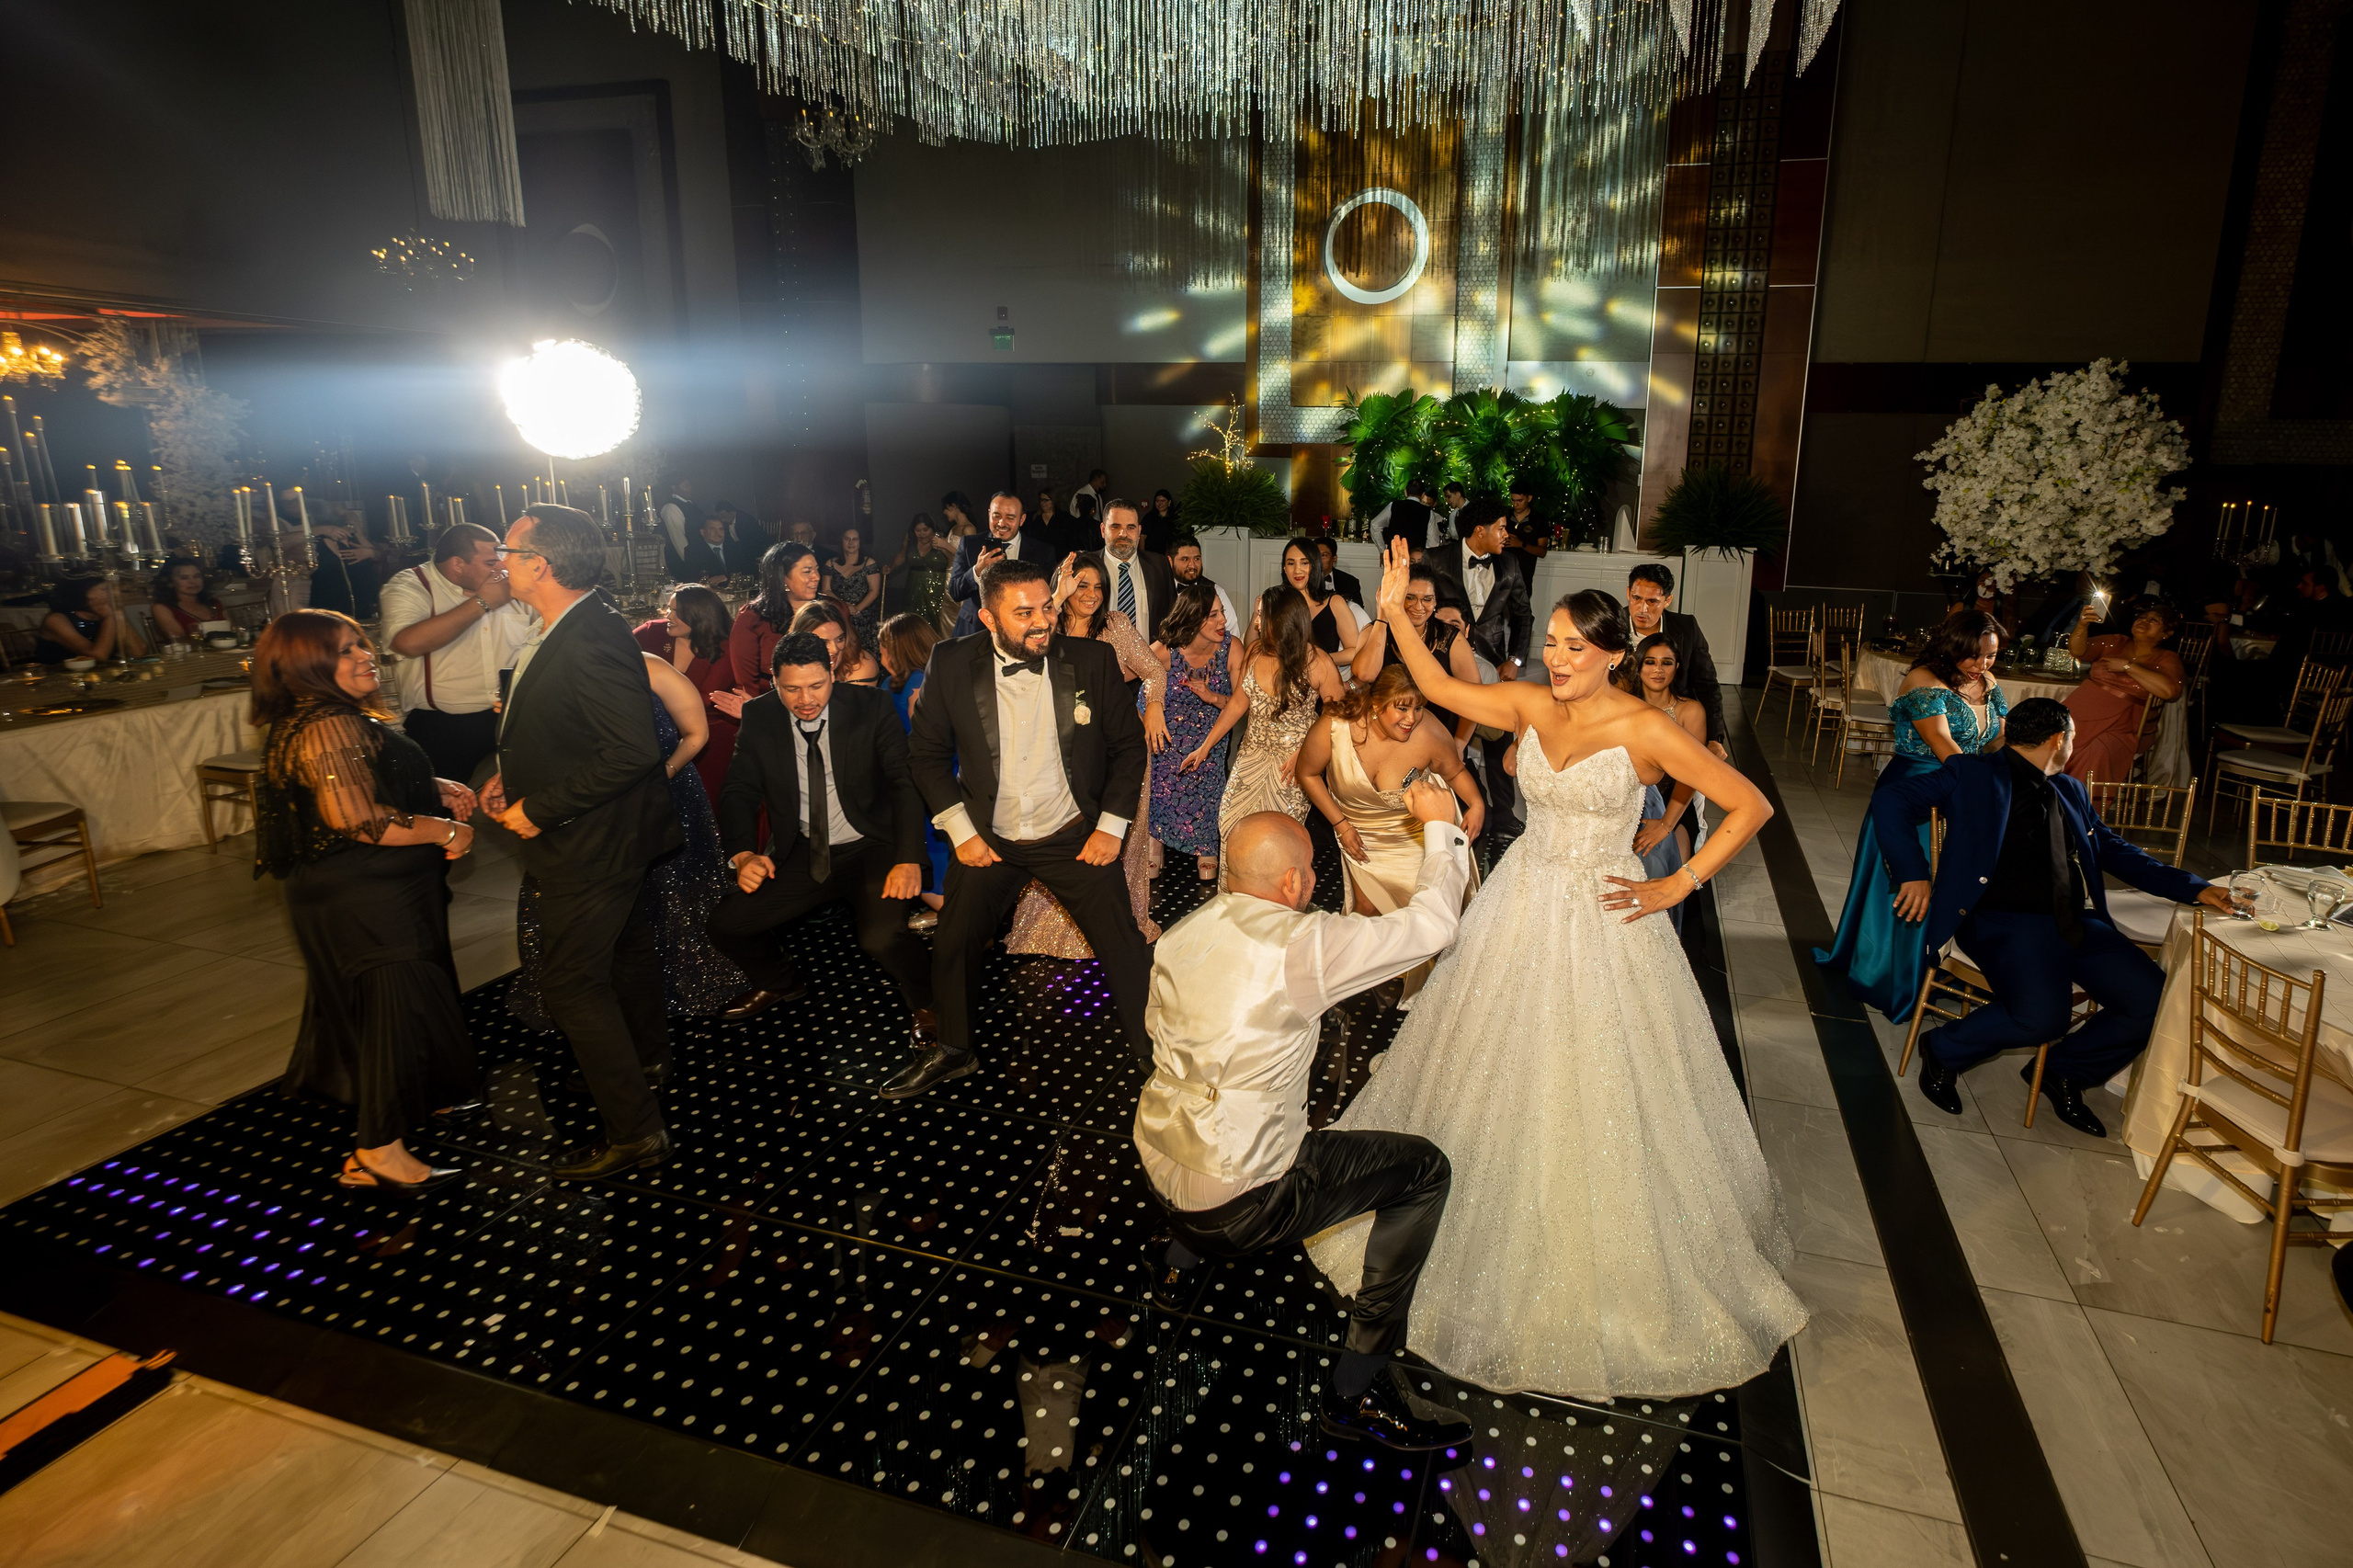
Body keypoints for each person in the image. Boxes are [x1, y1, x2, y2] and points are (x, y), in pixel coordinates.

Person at [1304, 539, 1807, 1399]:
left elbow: (1750, 804)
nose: (1559, 658)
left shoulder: (1648, 728)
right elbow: (1440, 690)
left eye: (1576, 647)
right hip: (1521, 903)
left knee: (1599, 1078)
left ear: (1613, 653)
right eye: (1553, 644)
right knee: (1489, 1061)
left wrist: (1677, 881)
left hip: (1607, 923)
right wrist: (1393, 614)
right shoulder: (1531, 704)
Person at [1133, 805, 1477, 1451]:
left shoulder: (1181, 933)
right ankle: (1356, 1392)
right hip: (1241, 1204)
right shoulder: (1303, 944)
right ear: (1292, 882)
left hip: (1155, 1159)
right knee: (1425, 1171)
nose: (1314, 880)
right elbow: (1431, 927)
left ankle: (1176, 1269)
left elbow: (1159, 1031)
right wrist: (1442, 831)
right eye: (1312, 869)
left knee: (1213, 1125)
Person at [1876, 698, 2234, 1135]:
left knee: (2153, 1001)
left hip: (2073, 921)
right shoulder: (1971, 773)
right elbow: (1892, 798)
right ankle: (1944, 1047)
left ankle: (2063, 1072)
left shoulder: (2070, 789)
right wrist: (1912, 873)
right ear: (2059, 739)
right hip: (2000, 923)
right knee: (2042, 1018)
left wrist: (2195, 887)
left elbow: (2113, 849)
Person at [483, 505, 683, 1181]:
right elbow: (568, 729)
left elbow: (631, 751)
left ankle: (636, 1130)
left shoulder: (591, 634)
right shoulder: (570, 623)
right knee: (625, 951)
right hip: (607, 835)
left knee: (569, 984)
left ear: (541, 565)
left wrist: (540, 808)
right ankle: (644, 1061)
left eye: (508, 552)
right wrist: (510, 776)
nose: (500, 563)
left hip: (592, 843)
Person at [906, 555, 1154, 1095]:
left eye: (1046, 607)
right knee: (954, 940)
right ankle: (954, 1049)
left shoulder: (1091, 660)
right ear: (989, 618)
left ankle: (1152, 1050)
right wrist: (962, 834)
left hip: (1071, 835)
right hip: (989, 839)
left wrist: (1111, 827)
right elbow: (925, 756)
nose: (1042, 621)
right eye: (1024, 614)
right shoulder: (950, 661)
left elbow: (1128, 748)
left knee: (1124, 945)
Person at [252, 608, 478, 1193]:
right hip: (366, 894)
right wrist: (447, 830)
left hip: (362, 890)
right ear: (307, 667)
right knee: (393, 1006)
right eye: (343, 652)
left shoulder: (316, 716)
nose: (364, 657)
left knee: (400, 997)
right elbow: (359, 820)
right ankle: (377, 1152)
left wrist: (431, 787)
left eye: (360, 644)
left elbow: (351, 782)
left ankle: (423, 1094)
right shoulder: (328, 722)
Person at [706, 631, 938, 1042]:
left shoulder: (871, 705)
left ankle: (929, 1002)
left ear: (832, 673)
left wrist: (908, 857)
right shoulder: (760, 715)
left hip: (870, 846)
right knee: (727, 923)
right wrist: (743, 854)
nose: (805, 699)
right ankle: (781, 982)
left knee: (881, 939)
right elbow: (739, 790)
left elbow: (903, 783)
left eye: (816, 685)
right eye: (791, 689)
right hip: (802, 850)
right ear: (774, 681)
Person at [509, 651, 745, 1025]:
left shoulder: (652, 667)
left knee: (672, 893)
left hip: (666, 796)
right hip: (595, 804)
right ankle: (609, 997)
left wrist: (661, 776)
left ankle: (676, 986)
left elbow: (697, 734)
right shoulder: (556, 667)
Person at [1814, 611, 2010, 1024]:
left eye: (1991, 656)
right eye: (1974, 655)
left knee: (1953, 881)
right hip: (1914, 793)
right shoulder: (1923, 680)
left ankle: (1943, 965)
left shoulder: (1988, 683)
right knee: (1912, 879)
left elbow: (1998, 739)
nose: (1982, 664)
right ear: (1953, 645)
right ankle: (1893, 975)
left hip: (1963, 786)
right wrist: (1978, 790)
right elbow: (1941, 742)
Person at [1003, 555, 1170, 956]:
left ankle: (1119, 923)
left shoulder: (1115, 625)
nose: (1092, 595)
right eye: (1082, 586)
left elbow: (1154, 670)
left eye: (1098, 587)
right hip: (1058, 748)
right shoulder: (1047, 625)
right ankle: (1050, 930)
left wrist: (1153, 705)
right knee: (1060, 833)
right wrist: (1055, 601)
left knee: (1119, 836)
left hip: (1117, 746)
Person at [1295, 663, 1483, 1006]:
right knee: (1366, 908)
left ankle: (1440, 995)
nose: (1412, 718)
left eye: (1418, 707)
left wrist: (1477, 803)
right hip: (1358, 834)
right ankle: (1346, 981)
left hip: (1413, 838)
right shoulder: (1335, 728)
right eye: (1402, 708)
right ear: (1376, 704)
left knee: (1429, 917)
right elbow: (1306, 773)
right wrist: (1341, 824)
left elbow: (1454, 770)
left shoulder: (1428, 732)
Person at [1197, 587, 1347, 883]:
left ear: (1282, 619)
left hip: (1290, 769)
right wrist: (1205, 746)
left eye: (1261, 616)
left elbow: (1338, 719)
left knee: (1277, 846)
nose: (1256, 623)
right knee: (1230, 824)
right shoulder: (1254, 652)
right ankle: (1234, 905)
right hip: (1250, 760)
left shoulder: (1318, 662)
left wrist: (1306, 753)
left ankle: (1275, 909)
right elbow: (1238, 704)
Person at [380, 521, 534, 784]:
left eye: (501, 559)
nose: (501, 567)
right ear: (457, 564)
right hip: (442, 728)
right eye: (490, 562)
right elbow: (406, 643)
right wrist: (483, 602)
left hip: (512, 719)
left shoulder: (511, 584)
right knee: (450, 803)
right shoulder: (411, 584)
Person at [1425, 502, 1533, 851]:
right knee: (1444, 729)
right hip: (1443, 660)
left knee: (1498, 735)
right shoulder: (1436, 558)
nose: (1507, 535)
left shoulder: (1510, 564)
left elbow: (1524, 616)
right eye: (1501, 528)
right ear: (1479, 531)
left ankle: (1503, 815)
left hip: (1492, 661)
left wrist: (1515, 659)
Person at [1617, 631, 1708, 932]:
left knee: (1666, 873)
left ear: (1677, 667)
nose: (1658, 670)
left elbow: (1692, 776)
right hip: (1625, 801)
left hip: (1675, 804)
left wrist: (1666, 824)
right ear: (1638, 665)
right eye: (1650, 662)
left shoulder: (1690, 711)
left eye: (1666, 663)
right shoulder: (1622, 704)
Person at [1149, 583, 1236, 883]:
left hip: (1212, 739)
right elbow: (1125, 675)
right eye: (1213, 615)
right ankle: (1155, 838)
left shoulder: (1232, 649)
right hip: (1168, 740)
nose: (1223, 620)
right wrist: (1152, 705)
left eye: (1221, 613)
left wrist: (1212, 697)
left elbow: (1243, 704)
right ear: (1192, 619)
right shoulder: (1166, 650)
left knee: (1210, 771)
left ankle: (1207, 842)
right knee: (1160, 771)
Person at [1350, 561, 1482, 744]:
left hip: (1439, 740)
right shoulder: (1375, 630)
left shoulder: (1451, 638)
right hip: (1383, 740)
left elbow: (1474, 700)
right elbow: (1365, 674)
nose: (1418, 607)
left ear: (1435, 602)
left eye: (1427, 599)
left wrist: (1458, 745)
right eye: (1410, 598)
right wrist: (1383, 618)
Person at [633, 584, 739, 806]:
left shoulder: (728, 646)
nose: (668, 616)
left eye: (677, 612)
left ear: (700, 617)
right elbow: (614, 654)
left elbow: (706, 698)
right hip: (654, 736)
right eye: (669, 609)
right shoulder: (652, 633)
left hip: (711, 739)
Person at [2063, 597, 2186, 785]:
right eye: (2142, 617)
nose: (2144, 621)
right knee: (2049, 736)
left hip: (2123, 724)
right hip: (2081, 709)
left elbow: (2170, 692)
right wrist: (2082, 625)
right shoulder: (2115, 642)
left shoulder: (2166, 658)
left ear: (2166, 633)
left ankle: (2079, 799)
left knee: (2096, 749)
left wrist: (2128, 667)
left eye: (2153, 620)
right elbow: (2078, 651)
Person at [877, 612, 949, 925]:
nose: (880, 657)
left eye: (883, 650)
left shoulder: (919, 683)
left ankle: (956, 916)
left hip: (923, 778)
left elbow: (925, 744)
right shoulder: (894, 683)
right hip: (912, 776)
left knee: (932, 847)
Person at [1625, 562, 1729, 757]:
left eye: (1652, 601)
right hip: (1623, 721)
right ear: (1628, 593)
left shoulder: (1687, 627)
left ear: (1667, 601)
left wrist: (1715, 738)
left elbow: (1706, 684)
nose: (1643, 609)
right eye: (1636, 598)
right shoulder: (1611, 625)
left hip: (1675, 724)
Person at [1080, 499, 1176, 663]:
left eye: (1130, 527)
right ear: (1103, 530)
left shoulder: (1160, 566)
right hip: (1096, 666)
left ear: (1139, 531)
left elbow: (1172, 617)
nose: (1123, 534)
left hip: (1149, 669)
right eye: (1115, 527)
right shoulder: (1084, 566)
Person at [729, 541, 824, 695]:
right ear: (783, 578)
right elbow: (746, 680)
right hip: (768, 700)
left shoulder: (829, 610)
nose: (816, 577)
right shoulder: (752, 618)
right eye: (807, 571)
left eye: (817, 569)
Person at [947, 492, 1046, 638]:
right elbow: (955, 591)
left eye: (1010, 518)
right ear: (989, 514)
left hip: (1021, 632)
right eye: (996, 516)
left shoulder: (1041, 551)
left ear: (1022, 519)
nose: (1001, 523)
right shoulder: (969, 544)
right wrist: (977, 571)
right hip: (974, 631)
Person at [1274, 535, 1363, 661]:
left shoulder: (1334, 603)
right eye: (1291, 563)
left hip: (1323, 672)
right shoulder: (1277, 603)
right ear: (1285, 568)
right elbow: (1254, 647)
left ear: (1315, 565)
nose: (1297, 570)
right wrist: (1257, 613)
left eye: (1304, 563)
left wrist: (1315, 660)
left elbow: (1354, 652)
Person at [33, 576, 145, 663]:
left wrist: (118, 613)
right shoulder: (56, 620)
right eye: (105, 589)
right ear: (82, 591)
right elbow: (98, 657)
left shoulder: (105, 613)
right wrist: (109, 616)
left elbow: (138, 653)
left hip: (104, 678)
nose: (113, 593)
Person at [790, 597, 882, 687]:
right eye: (824, 642)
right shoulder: (788, 664)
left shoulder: (860, 666)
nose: (834, 649)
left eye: (840, 639)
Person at [825, 524, 884, 651]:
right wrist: (844, 607)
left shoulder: (869, 563)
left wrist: (856, 609)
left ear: (860, 542)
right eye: (847, 539)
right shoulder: (830, 563)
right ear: (842, 541)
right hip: (839, 613)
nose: (851, 542)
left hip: (863, 615)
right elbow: (826, 590)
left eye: (855, 539)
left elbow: (874, 591)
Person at [308, 517, 380, 619]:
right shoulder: (315, 545)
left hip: (364, 604)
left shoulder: (356, 539)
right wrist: (319, 530)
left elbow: (378, 555)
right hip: (329, 605)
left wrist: (371, 552)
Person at [894, 514, 955, 636]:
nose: (922, 534)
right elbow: (901, 556)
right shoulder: (910, 539)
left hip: (936, 589)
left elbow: (954, 559)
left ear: (932, 529)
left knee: (935, 622)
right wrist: (891, 567)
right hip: (914, 588)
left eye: (925, 530)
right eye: (918, 530)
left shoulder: (940, 540)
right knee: (913, 622)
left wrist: (944, 547)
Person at [1165, 533, 1238, 631]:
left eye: (1197, 559)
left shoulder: (1215, 591)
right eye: (1185, 559)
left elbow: (1232, 631)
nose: (1192, 565)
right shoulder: (1158, 589)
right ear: (1170, 561)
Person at [150, 560, 225, 642]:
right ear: (171, 582)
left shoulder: (214, 603)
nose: (193, 582)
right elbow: (179, 641)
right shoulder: (162, 608)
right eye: (184, 578)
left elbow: (232, 631)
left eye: (197, 576)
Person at [666, 512, 734, 586]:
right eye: (712, 529)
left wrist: (727, 577)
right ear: (703, 532)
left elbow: (743, 570)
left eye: (721, 529)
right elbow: (694, 578)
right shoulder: (693, 551)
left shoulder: (734, 547)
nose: (717, 532)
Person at [1380, 481, 1435, 558]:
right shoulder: (1428, 512)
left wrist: (1383, 550)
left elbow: (1375, 525)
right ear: (1423, 495)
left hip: (1396, 555)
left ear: (1405, 492)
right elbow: (1432, 541)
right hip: (1417, 558)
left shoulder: (1393, 506)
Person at [1314, 537, 1366, 614]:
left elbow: (1358, 613)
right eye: (1315, 555)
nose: (1318, 560)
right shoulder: (1303, 581)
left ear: (1334, 559)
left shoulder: (1350, 582)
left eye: (1323, 555)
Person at [658, 479, 701, 563]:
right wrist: (690, 561)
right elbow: (678, 538)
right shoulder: (671, 508)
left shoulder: (692, 505)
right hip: (686, 560)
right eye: (685, 486)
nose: (689, 488)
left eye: (689, 485)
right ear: (674, 487)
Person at [1145, 488, 1179, 553]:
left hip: (1170, 553)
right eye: (1157, 501)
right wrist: (1143, 554)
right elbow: (1143, 537)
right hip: (1152, 553)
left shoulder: (1175, 518)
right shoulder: (1149, 517)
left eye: (1163, 501)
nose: (1160, 503)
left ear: (1169, 502)